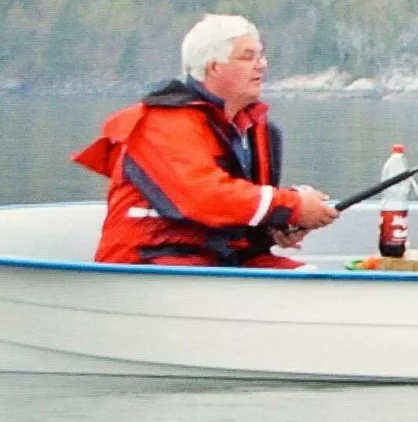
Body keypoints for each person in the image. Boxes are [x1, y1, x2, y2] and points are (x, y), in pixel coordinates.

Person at [73, 14, 339, 268]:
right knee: (303, 291)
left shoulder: (254, 128)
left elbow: (236, 212)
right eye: (248, 57)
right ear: (214, 67)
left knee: (311, 280)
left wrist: (274, 227)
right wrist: (292, 207)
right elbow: (205, 197)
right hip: (149, 265)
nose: (262, 65)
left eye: (261, 56)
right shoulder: (163, 124)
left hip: (219, 260)